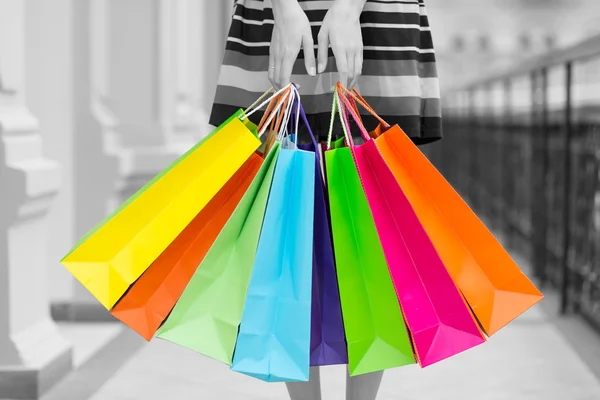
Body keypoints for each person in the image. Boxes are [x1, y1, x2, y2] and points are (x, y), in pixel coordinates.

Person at [209, 1, 441, 399]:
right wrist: (283, 7)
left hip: (376, 15)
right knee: (281, 212)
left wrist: (349, 7)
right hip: (275, 11)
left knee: (373, 227)